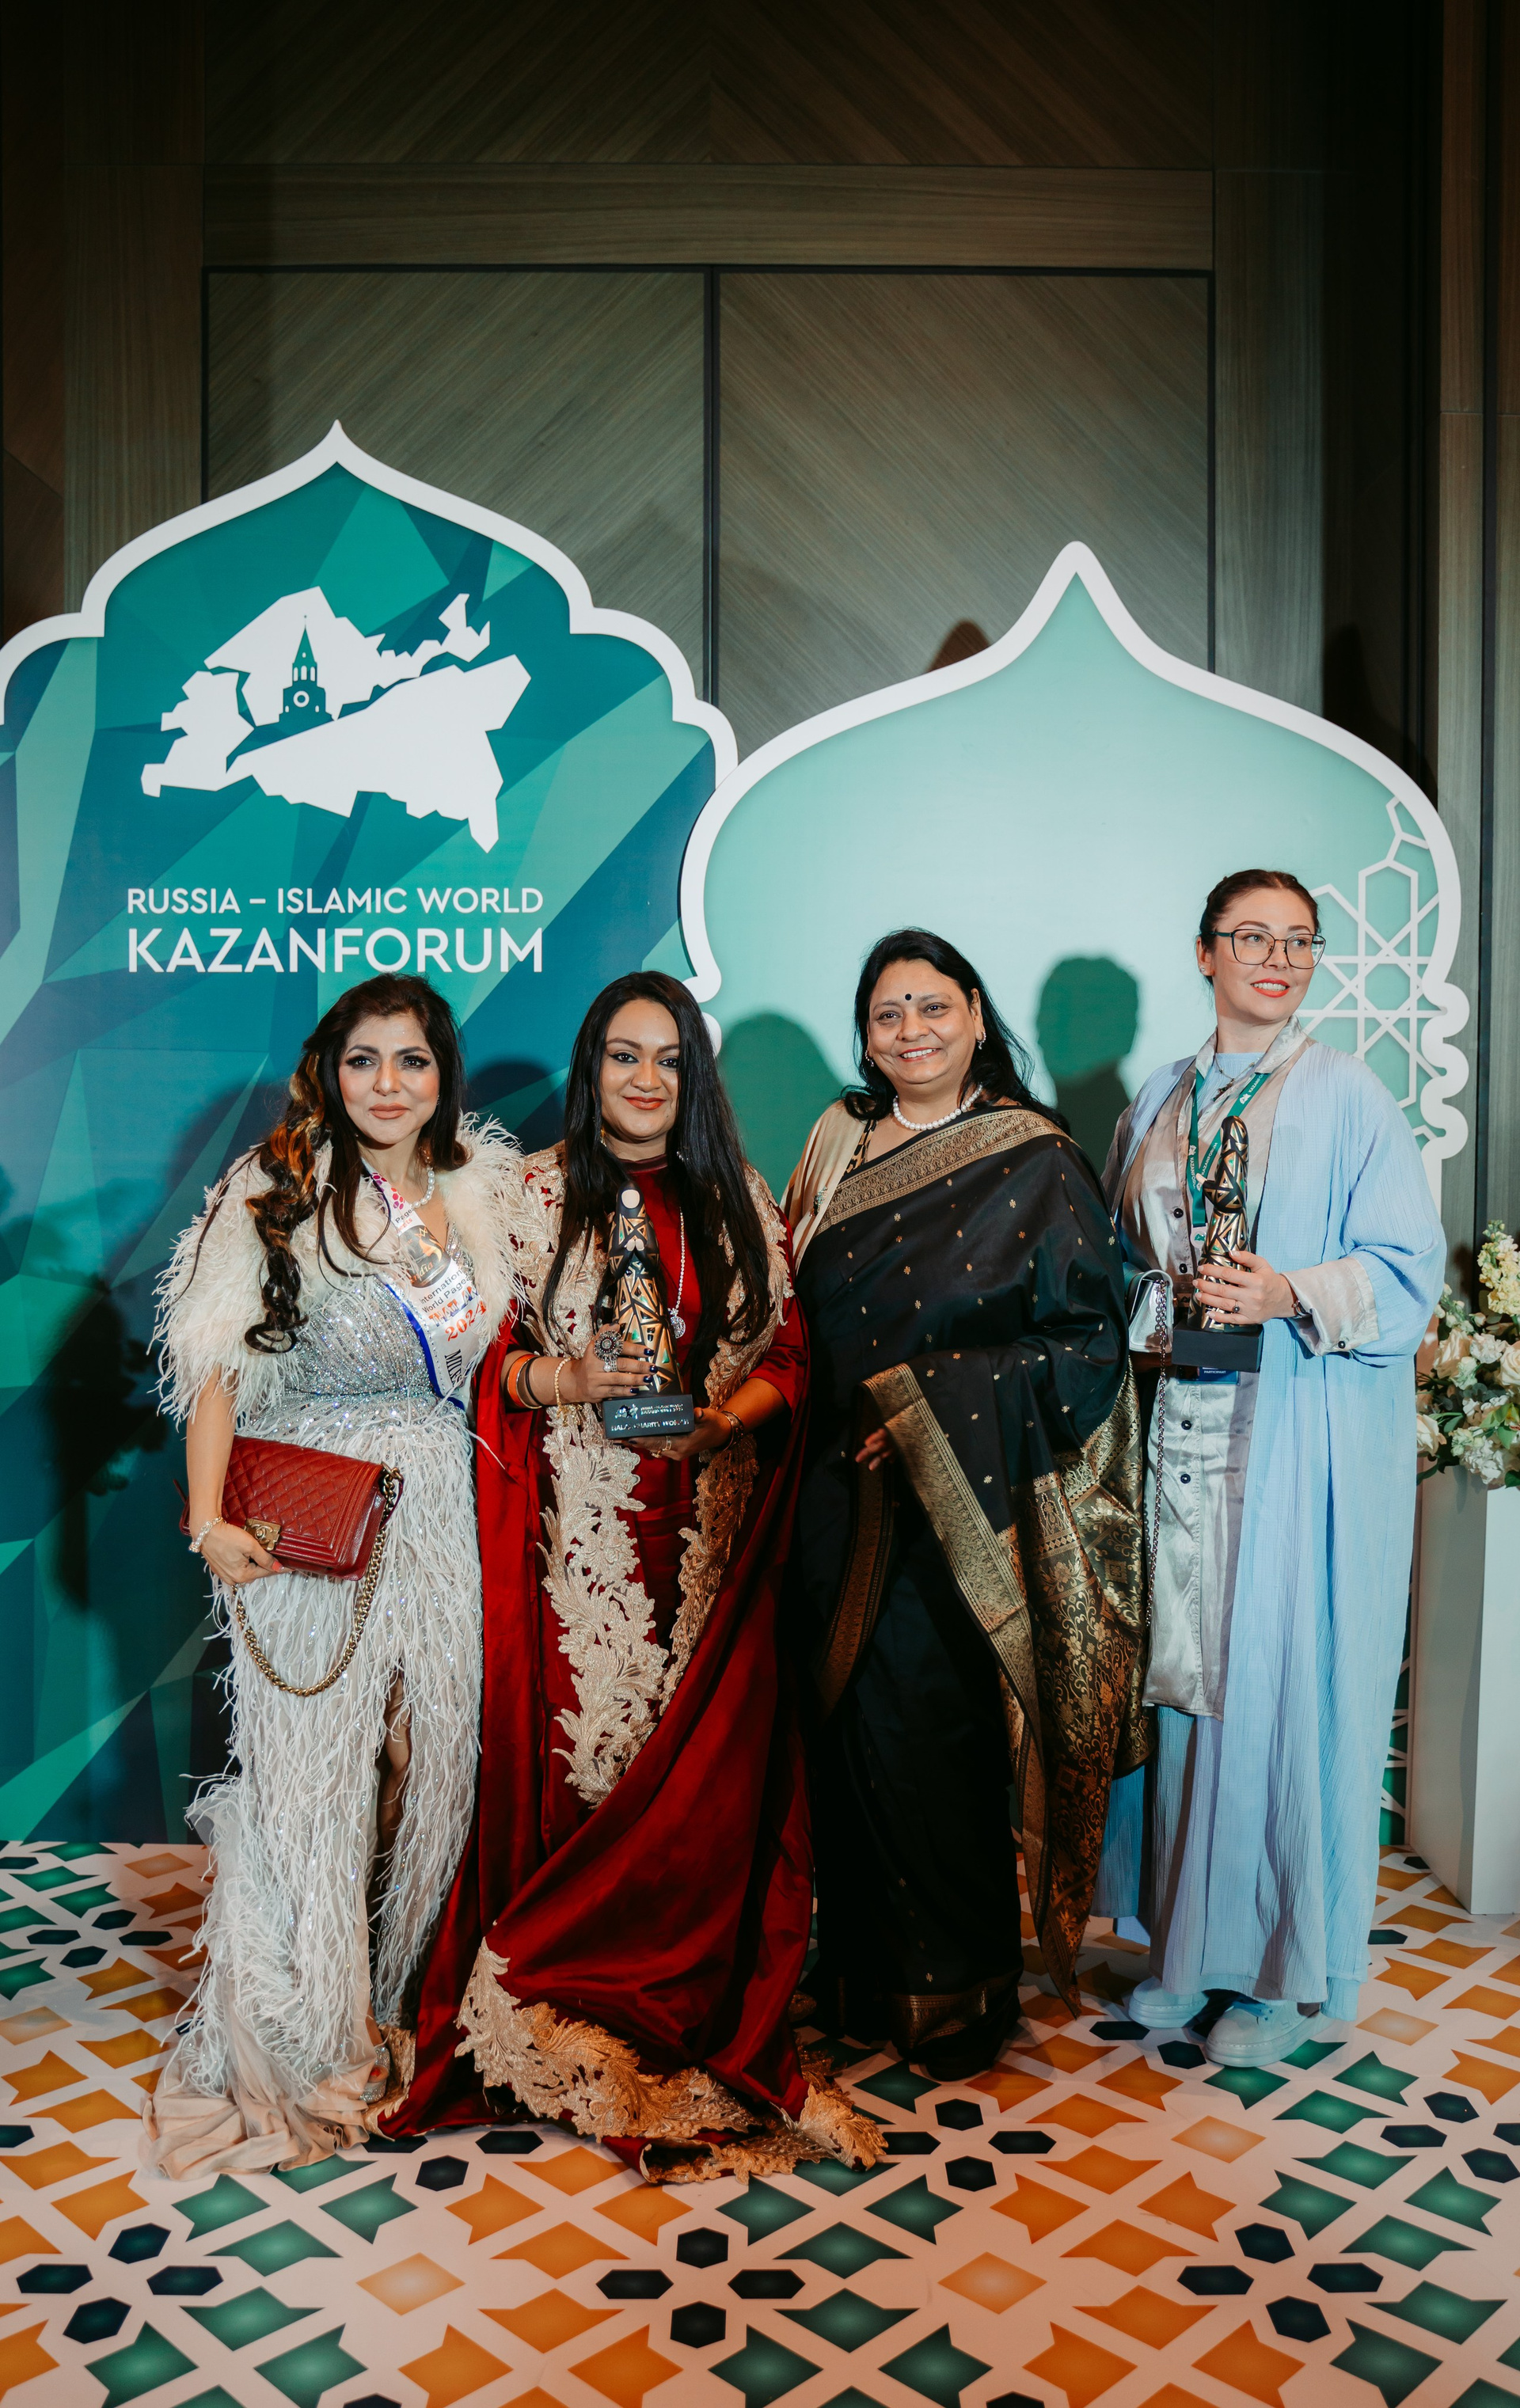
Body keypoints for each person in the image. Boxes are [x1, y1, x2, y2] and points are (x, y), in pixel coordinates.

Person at [393, 972, 881, 2182]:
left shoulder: (737, 1194)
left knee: (699, 1790)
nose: (647, 1078)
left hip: (708, 1537)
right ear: (592, 1065)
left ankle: (677, 2001)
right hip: (575, 1540)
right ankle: (569, 2002)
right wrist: (571, 1382)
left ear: (693, 1074)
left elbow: (789, 1351)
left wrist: (726, 1420)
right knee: (584, 1770)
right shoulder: (523, 1196)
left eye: (668, 1057)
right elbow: (480, 1362)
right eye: (625, 1054)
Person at [146, 974, 526, 2175]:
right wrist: (210, 1518)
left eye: (412, 1061)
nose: (388, 1085)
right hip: (313, 1507)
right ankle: (322, 2027)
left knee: (429, 1759)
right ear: (331, 1069)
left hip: (443, 1509)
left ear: (442, 1075)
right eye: (365, 1060)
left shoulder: (479, 1190)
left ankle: (401, 1991)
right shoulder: (276, 1188)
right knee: (319, 1771)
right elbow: (215, 1367)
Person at [1096, 869, 1446, 2067]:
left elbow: (1407, 1273)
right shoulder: (1159, 1100)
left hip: (1300, 1434)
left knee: (1278, 1683)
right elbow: (1120, 1262)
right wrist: (1166, 1306)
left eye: (1300, 940)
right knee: (1187, 1685)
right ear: (1206, 953)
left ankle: (1280, 1972)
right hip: (1184, 1427)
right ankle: (1185, 1949)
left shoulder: (1349, 1094)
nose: (1278, 958)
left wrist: (1289, 1289)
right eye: (1252, 936)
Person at [785, 929, 1146, 2079]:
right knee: (846, 1740)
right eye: (888, 1013)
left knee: (935, 1739)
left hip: (957, 1505)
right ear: (866, 1035)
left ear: (977, 1017)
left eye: (934, 1006)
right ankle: (857, 1977)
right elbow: (790, 1310)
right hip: (831, 1495)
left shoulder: (1035, 1159)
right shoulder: (836, 1144)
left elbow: (1087, 1344)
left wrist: (933, 1401)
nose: (912, 1031)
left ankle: (956, 1994)